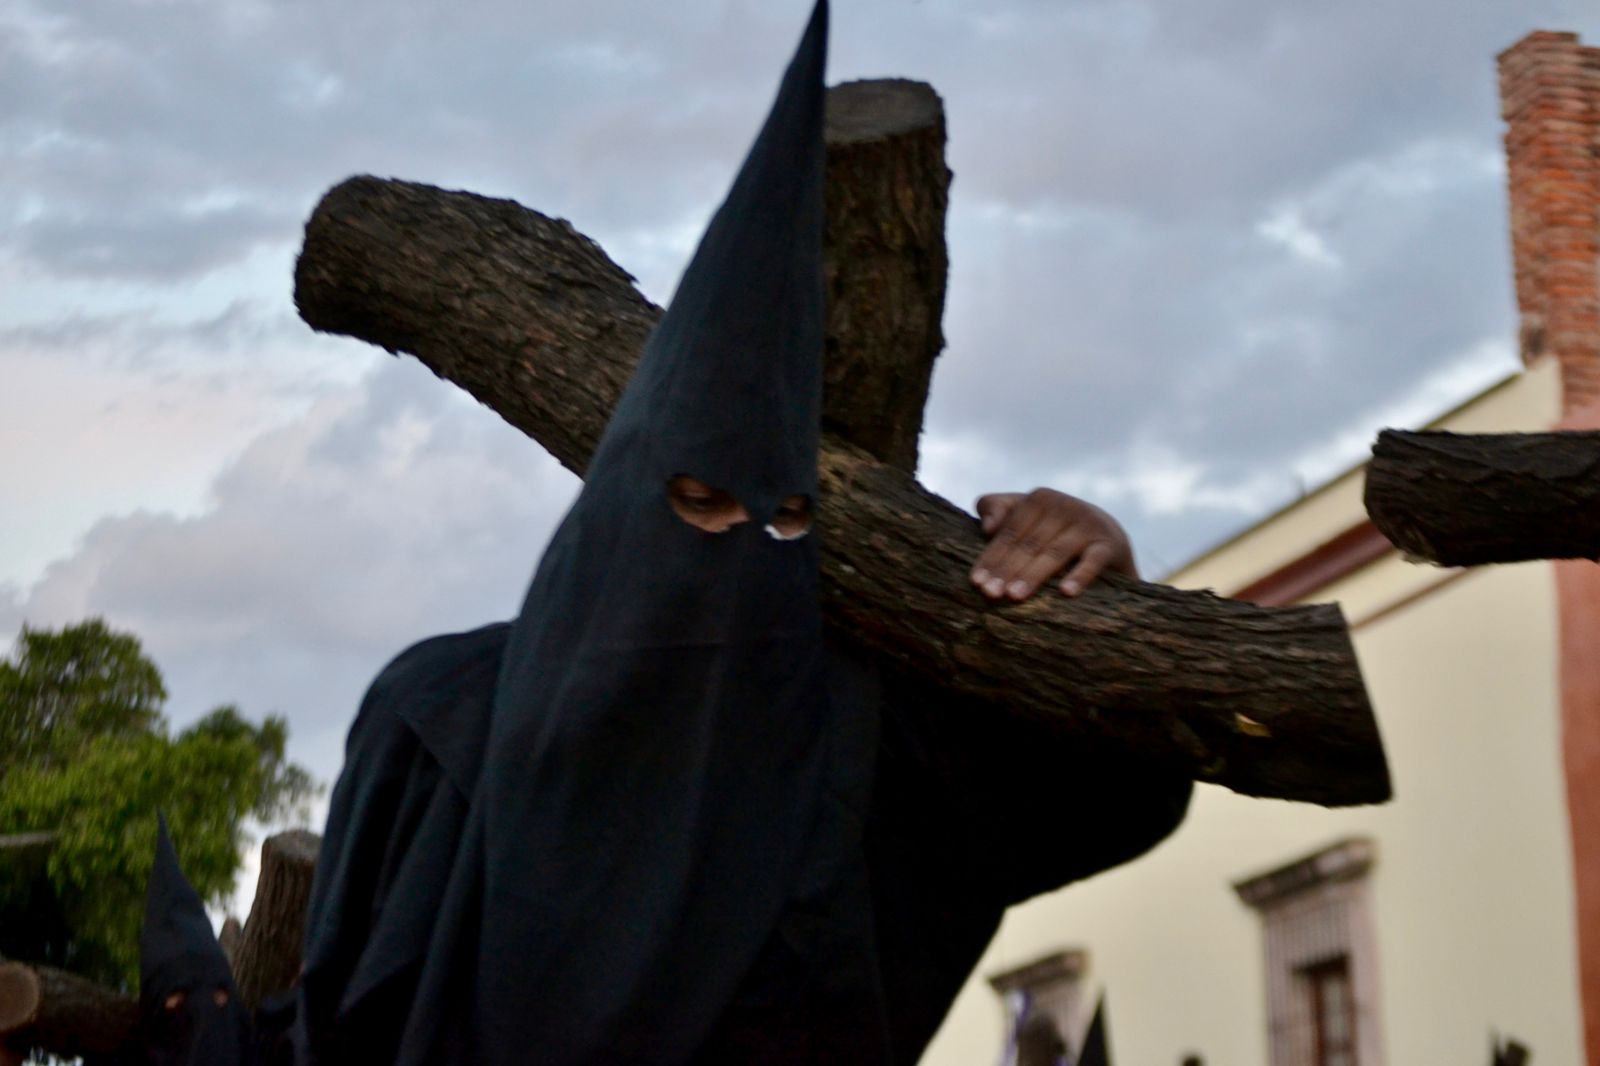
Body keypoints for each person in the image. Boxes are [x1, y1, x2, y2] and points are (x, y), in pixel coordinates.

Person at [296, 4, 1189, 1062]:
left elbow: (1121, 792)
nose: (734, 539)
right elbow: (338, 1004)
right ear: (618, 502)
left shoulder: (870, 737)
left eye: (785, 517)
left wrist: (1112, 573)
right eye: (695, 501)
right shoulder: (436, 714)